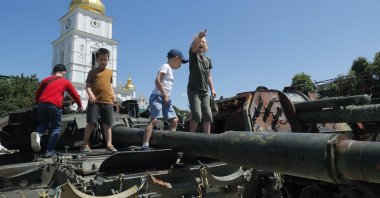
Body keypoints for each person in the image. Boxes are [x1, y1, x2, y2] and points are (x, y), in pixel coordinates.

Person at [31, 64, 83, 158]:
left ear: (54, 72)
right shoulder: (65, 81)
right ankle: (49, 152)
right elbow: (75, 95)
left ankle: (38, 134)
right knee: (56, 128)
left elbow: (38, 93)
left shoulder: (46, 80)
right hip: (54, 105)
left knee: (43, 124)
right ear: (64, 72)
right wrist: (80, 105)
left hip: (41, 104)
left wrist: (37, 103)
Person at [141, 49, 188, 151]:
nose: (180, 65)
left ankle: (169, 144)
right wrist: (164, 95)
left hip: (166, 98)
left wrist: (166, 97)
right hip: (157, 97)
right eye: (181, 62)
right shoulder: (165, 67)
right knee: (154, 120)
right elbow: (157, 80)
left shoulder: (170, 70)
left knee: (175, 120)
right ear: (176, 58)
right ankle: (145, 144)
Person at [82, 48, 117, 154]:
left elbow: (110, 86)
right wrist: (91, 94)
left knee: (107, 124)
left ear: (108, 60)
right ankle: (85, 144)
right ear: (97, 60)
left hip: (107, 101)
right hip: (95, 102)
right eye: (101, 59)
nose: (103, 61)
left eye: (105, 59)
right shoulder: (92, 72)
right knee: (91, 123)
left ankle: (109, 145)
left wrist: (113, 95)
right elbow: (87, 86)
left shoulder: (110, 72)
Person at [187, 29, 216, 134]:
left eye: (203, 42)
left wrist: (212, 89)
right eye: (199, 42)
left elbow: (209, 76)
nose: (201, 43)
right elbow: (194, 47)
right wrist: (199, 37)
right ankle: (191, 136)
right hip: (193, 90)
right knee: (197, 115)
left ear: (206, 45)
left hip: (205, 92)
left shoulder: (208, 60)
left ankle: (207, 139)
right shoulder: (193, 55)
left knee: (208, 115)